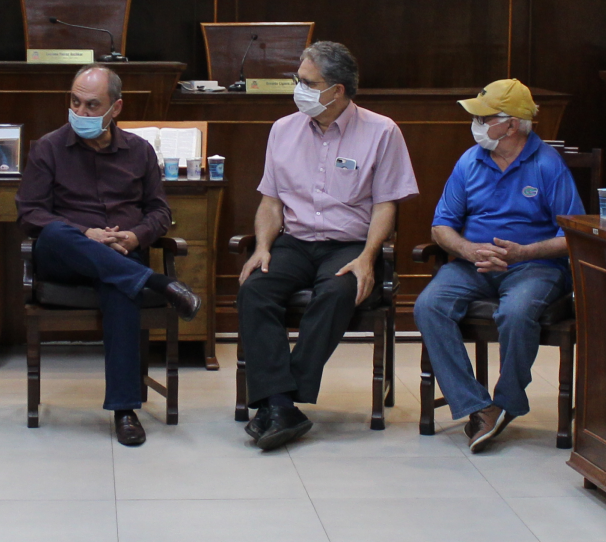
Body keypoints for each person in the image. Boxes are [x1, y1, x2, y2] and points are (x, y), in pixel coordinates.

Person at [237, 40, 418, 452]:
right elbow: (270, 200)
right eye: (297, 80)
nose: (296, 89)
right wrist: (263, 246)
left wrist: (368, 258)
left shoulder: (382, 131)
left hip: (348, 243)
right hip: (294, 242)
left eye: (306, 82)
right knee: (255, 289)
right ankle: (282, 404)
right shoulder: (283, 130)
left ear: (336, 91)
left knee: (339, 291)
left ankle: (278, 400)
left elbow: (386, 204)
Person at [16, 65, 202, 447]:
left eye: (91, 105)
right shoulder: (48, 147)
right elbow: (30, 213)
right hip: (66, 257)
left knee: (119, 285)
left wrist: (135, 236)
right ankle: (160, 284)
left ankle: (124, 410)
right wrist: (88, 234)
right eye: (75, 102)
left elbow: (160, 212)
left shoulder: (139, 151)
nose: (80, 113)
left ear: (115, 108)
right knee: (53, 232)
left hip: (122, 255)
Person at [414, 79, 583, 451]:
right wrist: (469, 249)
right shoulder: (469, 161)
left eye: (483, 117)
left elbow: (574, 235)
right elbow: (441, 225)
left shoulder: (548, 165)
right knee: (429, 306)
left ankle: (507, 400)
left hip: (532, 266)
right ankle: (478, 405)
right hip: (471, 262)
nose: (475, 124)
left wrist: (523, 253)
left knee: (518, 312)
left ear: (510, 124)